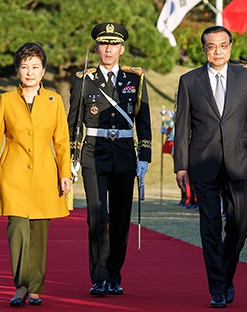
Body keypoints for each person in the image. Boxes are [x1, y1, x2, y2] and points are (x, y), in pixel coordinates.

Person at [174, 26, 247, 308]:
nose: (217, 51)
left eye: (222, 45)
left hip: (238, 162)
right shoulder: (189, 81)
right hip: (202, 164)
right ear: (204, 49)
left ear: (230, 47)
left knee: (239, 226)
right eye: (211, 46)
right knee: (209, 226)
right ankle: (217, 288)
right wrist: (180, 165)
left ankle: (227, 274)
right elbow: (181, 127)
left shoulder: (245, 78)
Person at [0, 42, 72, 306]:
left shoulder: (54, 101)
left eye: (35, 67)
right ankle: (21, 285)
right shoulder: (6, 100)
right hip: (13, 176)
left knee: (39, 234)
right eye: (24, 67)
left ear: (43, 71)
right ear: (17, 71)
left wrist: (65, 173)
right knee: (18, 229)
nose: (30, 72)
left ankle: (35, 288)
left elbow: (62, 142)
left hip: (46, 176)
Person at [67, 22, 151, 296]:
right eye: (104, 44)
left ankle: (115, 275)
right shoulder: (84, 79)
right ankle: (99, 276)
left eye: (113, 44)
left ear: (122, 49)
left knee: (121, 218)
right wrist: (72, 155)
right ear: (97, 48)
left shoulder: (135, 79)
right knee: (96, 216)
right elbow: (74, 121)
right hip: (93, 153)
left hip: (125, 155)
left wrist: (145, 156)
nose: (108, 49)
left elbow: (144, 121)